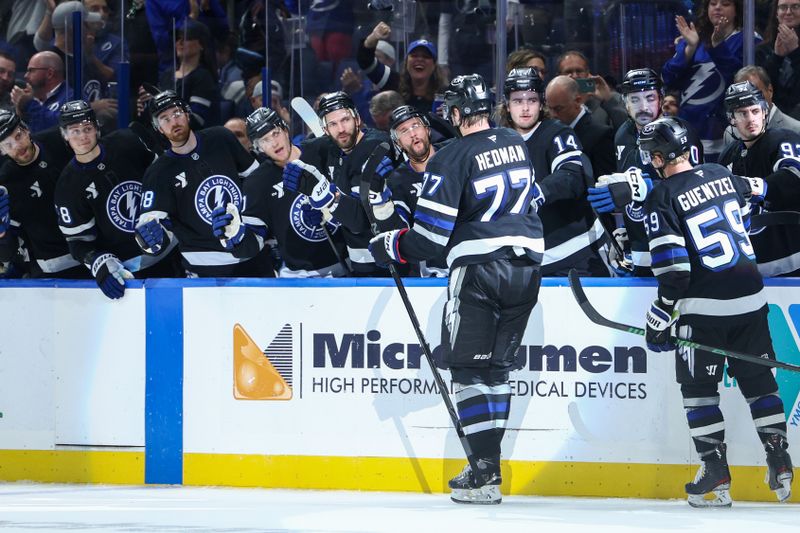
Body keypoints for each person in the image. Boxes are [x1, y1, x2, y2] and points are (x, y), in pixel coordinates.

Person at [367, 74, 544, 504]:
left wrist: (387, 244)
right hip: (529, 266)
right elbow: (534, 199)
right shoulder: (514, 142)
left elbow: (428, 239)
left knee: (466, 369)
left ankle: (484, 472)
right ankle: (488, 466)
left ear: (458, 113)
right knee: (497, 370)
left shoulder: (450, 158)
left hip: (482, 270)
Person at [640, 116, 793, 507]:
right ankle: (779, 458)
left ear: (659, 157)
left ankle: (715, 472)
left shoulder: (662, 197)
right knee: (761, 383)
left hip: (705, 312)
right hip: (752, 300)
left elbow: (674, 273)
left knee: (698, 391)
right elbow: (752, 196)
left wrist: (659, 317)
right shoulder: (719, 172)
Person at [135, 90, 272, 277]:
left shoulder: (221, 138)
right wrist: (150, 241)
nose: (173, 122)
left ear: (187, 113)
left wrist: (255, 226)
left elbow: (258, 181)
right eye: (165, 119)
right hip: (202, 264)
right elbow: (153, 229)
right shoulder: (158, 173)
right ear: (159, 128)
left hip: (248, 249)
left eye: (176, 113)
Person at [54, 100, 179, 299]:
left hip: (173, 252)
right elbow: (78, 241)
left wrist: (165, 216)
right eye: (75, 131)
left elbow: (165, 176)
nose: (83, 136)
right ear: (65, 135)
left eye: (87, 128)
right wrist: (98, 261)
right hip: (131, 274)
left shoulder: (127, 142)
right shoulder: (67, 187)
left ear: (96, 128)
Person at [588, 68, 704, 276]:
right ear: (624, 102)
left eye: (650, 98)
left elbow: (696, 191)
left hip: (678, 244)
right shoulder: (622, 134)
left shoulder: (681, 132)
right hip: (641, 247)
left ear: (660, 98)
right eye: (634, 100)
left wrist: (647, 188)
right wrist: (627, 228)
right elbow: (631, 189)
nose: (643, 107)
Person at [211, 106, 348, 278]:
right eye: (265, 140)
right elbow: (254, 242)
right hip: (299, 277)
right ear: (257, 148)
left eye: (275, 133)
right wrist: (237, 237)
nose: (274, 143)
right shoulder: (257, 183)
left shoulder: (322, 151)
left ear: (285, 129)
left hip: (346, 266)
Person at [499, 67, 606, 276]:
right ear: (507, 105)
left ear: (541, 103)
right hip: (530, 260)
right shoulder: (499, 142)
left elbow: (573, 175)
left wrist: (537, 193)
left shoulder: (558, 133)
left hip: (578, 253)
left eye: (531, 100)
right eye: (518, 101)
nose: (525, 108)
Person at [282, 91, 393, 277]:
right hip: (358, 261)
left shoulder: (375, 147)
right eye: (332, 124)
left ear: (357, 118)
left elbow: (361, 220)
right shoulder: (333, 149)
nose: (341, 129)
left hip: (391, 259)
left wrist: (326, 199)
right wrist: (326, 213)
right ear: (325, 129)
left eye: (345, 120)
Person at [718, 81, 800, 277]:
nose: (750, 119)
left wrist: (753, 185)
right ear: (732, 118)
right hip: (752, 268)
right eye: (742, 113)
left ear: (765, 111)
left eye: (755, 111)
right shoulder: (729, 155)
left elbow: (794, 177)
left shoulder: (784, 139)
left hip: (793, 260)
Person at [662, 0, 759, 161]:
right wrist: (689, 49)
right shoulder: (693, 38)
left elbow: (739, 80)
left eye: (726, 4)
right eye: (713, 3)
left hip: (724, 130)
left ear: (737, 10)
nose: (718, 7)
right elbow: (668, 78)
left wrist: (718, 46)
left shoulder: (748, 39)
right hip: (689, 128)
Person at [0, 109, 80, 278]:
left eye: (18, 136)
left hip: (93, 251)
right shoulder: (6, 183)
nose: (17, 146)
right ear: (2, 151)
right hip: (52, 268)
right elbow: (7, 253)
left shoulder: (60, 141)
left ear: (26, 129)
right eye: (8, 145)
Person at [722, 65, 800, 145]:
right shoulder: (731, 134)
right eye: (742, 96)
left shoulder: (796, 130)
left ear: (770, 91)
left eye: (756, 93)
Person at [756, 0, 800, 118]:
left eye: (795, 7)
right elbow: (759, 91)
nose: (788, 12)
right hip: (770, 121)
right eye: (783, 7)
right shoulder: (762, 50)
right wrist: (777, 58)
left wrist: (796, 53)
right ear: (776, 13)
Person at [11, 51, 68, 133]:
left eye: (31, 70)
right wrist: (20, 108)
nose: (26, 76)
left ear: (50, 73)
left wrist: (29, 104)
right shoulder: (34, 97)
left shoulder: (71, 98)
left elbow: (56, 129)